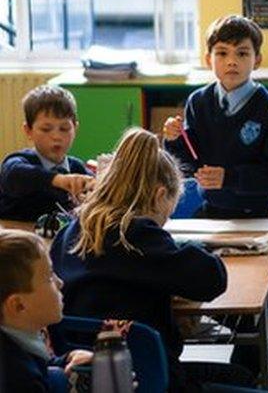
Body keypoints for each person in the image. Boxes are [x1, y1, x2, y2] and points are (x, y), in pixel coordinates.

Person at [49, 128, 254, 391]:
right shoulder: (137, 235)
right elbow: (213, 278)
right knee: (244, 378)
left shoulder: (71, 231)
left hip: (82, 374)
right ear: (159, 196)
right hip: (146, 376)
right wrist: (184, 245)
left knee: (235, 375)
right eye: (169, 209)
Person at [162, 15, 268, 219]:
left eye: (242, 54)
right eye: (222, 53)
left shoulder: (267, 108)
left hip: (256, 213)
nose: (232, 62)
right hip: (211, 209)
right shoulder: (198, 102)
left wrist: (230, 178)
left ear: (257, 60)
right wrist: (174, 139)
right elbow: (189, 165)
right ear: (209, 60)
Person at [0, 229, 92, 392]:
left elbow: (36, 362)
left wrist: (67, 359)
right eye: (50, 276)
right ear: (18, 305)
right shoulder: (19, 378)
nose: (60, 283)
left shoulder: (15, 342)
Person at [0, 85, 93, 222]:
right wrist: (59, 180)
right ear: (28, 131)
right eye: (46, 129)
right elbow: (15, 175)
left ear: (75, 129)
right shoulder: (18, 162)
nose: (56, 136)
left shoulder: (76, 168)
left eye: (64, 128)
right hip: (20, 238)